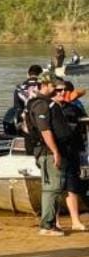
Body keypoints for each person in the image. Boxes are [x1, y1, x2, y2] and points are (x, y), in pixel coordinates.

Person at [24, 73, 68, 236]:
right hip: (47, 151)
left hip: (46, 150)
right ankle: (47, 225)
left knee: (53, 187)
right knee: (52, 188)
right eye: (54, 86)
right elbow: (45, 130)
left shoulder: (40, 103)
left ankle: (49, 224)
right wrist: (55, 151)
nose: (57, 89)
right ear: (46, 85)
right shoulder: (41, 105)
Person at [56, 81, 87, 231]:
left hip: (72, 151)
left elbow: (84, 124)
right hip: (54, 152)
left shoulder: (75, 108)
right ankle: (54, 222)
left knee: (72, 187)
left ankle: (75, 221)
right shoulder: (49, 108)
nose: (61, 93)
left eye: (64, 90)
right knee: (55, 188)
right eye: (58, 90)